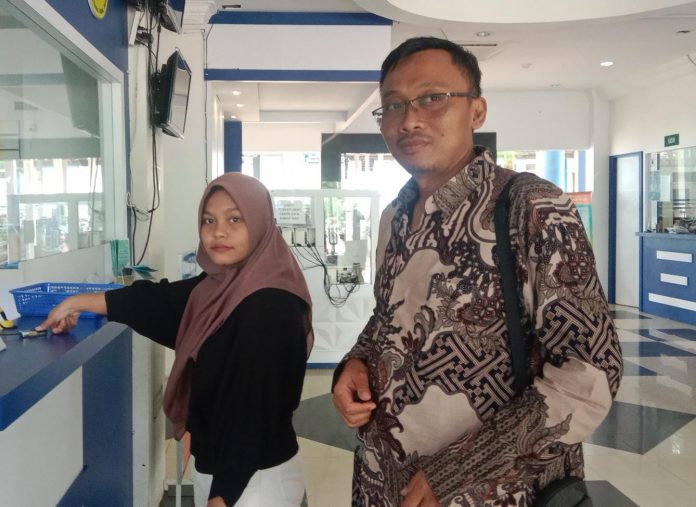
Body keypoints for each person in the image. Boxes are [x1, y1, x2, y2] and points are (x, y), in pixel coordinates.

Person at [332, 36, 623, 507]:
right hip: (381, 480)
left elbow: (590, 373)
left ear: (477, 111)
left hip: (489, 492)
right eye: (393, 105)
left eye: (432, 98)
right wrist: (355, 362)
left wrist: (457, 470)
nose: (409, 119)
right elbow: (388, 318)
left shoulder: (532, 207)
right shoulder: (394, 216)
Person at [38, 173, 313, 507]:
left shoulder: (271, 306)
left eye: (235, 219)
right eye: (209, 220)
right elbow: (160, 302)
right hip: (220, 469)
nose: (218, 231)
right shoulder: (219, 288)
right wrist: (77, 303)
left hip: (255, 481)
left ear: (260, 223)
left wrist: (222, 495)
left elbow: (254, 413)